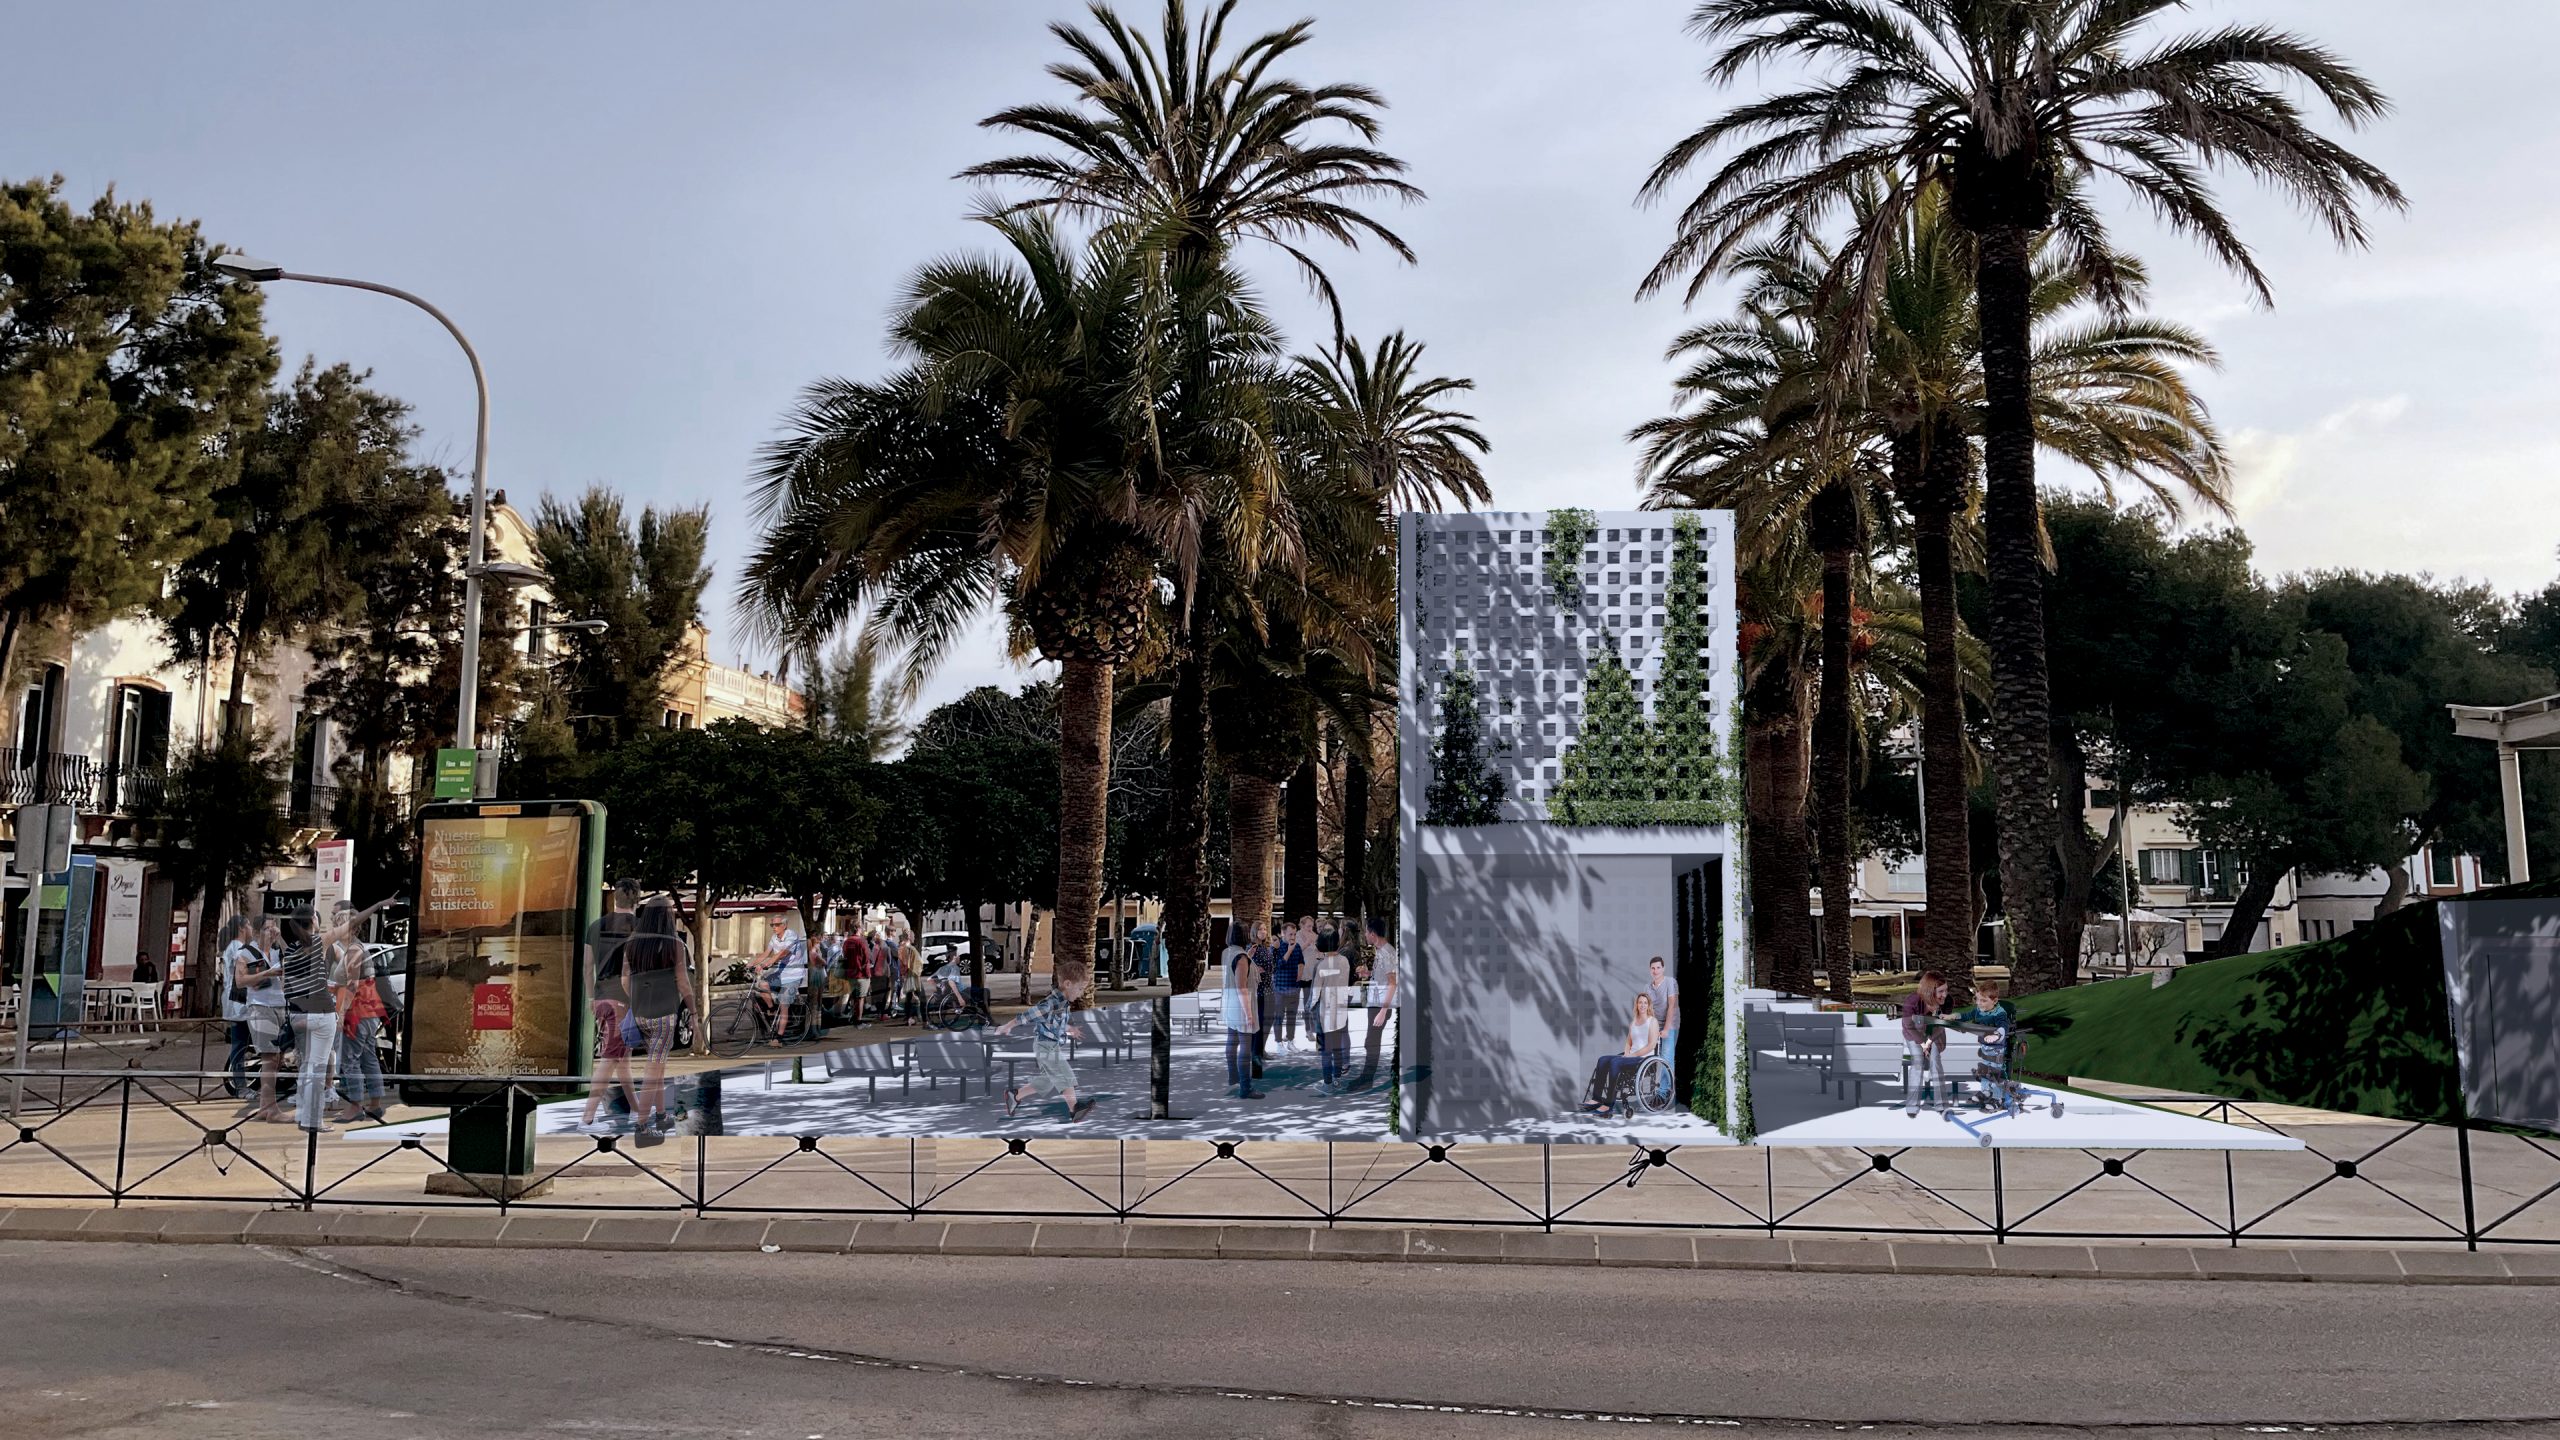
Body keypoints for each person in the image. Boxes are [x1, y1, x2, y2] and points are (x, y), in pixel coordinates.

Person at [623, 898, 695, 1144]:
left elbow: (624, 979)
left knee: (658, 1065)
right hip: (664, 1014)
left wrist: (635, 999)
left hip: (640, 1012)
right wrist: (693, 1012)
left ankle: (662, 1116)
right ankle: (642, 1128)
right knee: (653, 1070)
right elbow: (683, 982)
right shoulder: (675, 944)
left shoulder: (632, 943)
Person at [994, 966, 1097, 1122]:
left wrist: (1070, 1029)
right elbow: (1027, 1016)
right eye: (1080, 988)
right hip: (1045, 1046)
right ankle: (1074, 1109)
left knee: (1048, 1080)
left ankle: (1015, 1096)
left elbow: (1055, 1023)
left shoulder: (1062, 1004)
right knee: (1064, 1074)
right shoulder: (1050, 1003)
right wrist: (1007, 1026)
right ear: (1068, 984)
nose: (1081, 993)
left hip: (1049, 1046)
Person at [330, 926, 391, 1125]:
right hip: (368, 1010)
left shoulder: (354, 950)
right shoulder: (358, 948)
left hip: (357, 1012)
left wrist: (341, 1013)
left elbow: (353, 985)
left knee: (350, 1060)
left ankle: (355, 1105)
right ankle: (374, 1102)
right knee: (368, 1057)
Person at [236, 918, 291, 1123]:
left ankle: (264, 1108)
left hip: (280, 1005)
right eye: (268, 928)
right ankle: (271, 1109)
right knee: (270, 1058)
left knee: (277, 1060)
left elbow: (294, 958)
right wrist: (267, 973)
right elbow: (240, 981)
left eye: (274, 927)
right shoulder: (246, 953)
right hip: (260, 1007)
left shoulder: (277, 951)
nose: (272, 931)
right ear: (259, 932)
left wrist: (281, 939)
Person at [1582, 993, 1660, 1118]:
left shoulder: (1652, 1021)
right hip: (1631, 1057)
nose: (1643, 1005)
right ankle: (1596, 1099)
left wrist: (1633, 1055)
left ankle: (1608, 1106)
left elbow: (1651, 1046)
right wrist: (1627, 1053)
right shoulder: (1634, 1022)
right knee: (1603, 1060)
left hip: (1644, 1059)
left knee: (1615, 1063)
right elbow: (1628, 1042)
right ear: (1637, 1004)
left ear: (1648, 1005)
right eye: (1640, 1002)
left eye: (1645, 1003)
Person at [1353, 915, 1399, 1090]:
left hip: (1380, 1005)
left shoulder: (1387, 953)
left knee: (1371, 1042)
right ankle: (1366, 1078)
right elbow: (1383, 977)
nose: (1364, 935)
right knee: (1370, 1041)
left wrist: (1383, 1011)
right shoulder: (1380, 951)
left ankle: (1367, 1080)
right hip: (1376, 1003)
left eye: (1366, 932)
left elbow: (1393, 983)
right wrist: (1368, 974)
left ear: (1372, 934)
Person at [1900, 969, 1953, 1115]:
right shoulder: (1912, 1001)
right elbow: (1908, 1025)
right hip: (1914, 1032)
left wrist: (1929, 1041)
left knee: (1935, 1061)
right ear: (1930, 991)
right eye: (1941, 991)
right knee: (1917, 1062)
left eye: (1946, 990)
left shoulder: (1947, 1001)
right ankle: (1912, 1106)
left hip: (1935, 1032)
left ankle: (1941, 1104)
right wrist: (1922, 1043)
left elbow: (1942, 1025)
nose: (1945, 995)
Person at [217, 917, 256, 1100]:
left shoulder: (234, 947)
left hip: (238, 1000)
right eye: (248, 925)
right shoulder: (237, 948)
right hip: (238, 1001)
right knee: (239, 1044)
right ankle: (240, 1086)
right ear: (241, 928)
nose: (251, 928)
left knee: (243, 1043)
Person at [1310, 926, 1353, 1092]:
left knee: (1326, 1050)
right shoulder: (1344, 961)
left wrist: (1309, 1007)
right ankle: (1337, 1080)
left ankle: (1327, 1083)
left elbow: (1316, 992)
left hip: (1325, 1011)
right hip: (1341, 1008)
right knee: (1337, 1048)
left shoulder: (1321, 965)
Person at [1221, 922, 1261, 1099]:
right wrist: (1249, 1014)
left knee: (1232, 1041)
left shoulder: (1228, 952)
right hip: (1241, 1004)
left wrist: (1248, 957)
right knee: (1245, 1045)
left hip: (1229, 1002)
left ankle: (1233, 1077)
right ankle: (1246, 1087)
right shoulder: (1241, 957)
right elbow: (1242, 987)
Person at [754, 916, 808, 1046]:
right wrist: (751, 964)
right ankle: (772, 1009)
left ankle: (779, 1038)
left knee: (784, 1005)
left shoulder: (792, 936)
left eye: (777, 925)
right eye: (772, 925)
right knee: (762, 985)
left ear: (784, 925)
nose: (774, 927)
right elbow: (766, 953)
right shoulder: (774, 938)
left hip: (793, 975)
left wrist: (768, 963)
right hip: (780, 973)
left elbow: (783, 953)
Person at [1645, 956, 1681, 1105]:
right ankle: (1651, 1090)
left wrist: (1666, 1029)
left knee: (1666, 1057)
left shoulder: (1670, 982)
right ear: (1650, 970)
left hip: (1670, 1023)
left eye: (1658, 967)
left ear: (1663, 968)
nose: (1656, 971)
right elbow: (1648, 1010)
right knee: (1651, 1056)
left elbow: (1672, 1005)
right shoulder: (1648, 987)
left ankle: (1663, 1093)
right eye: (1653, 968)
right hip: (1656, 1024)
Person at [1270, 916, 1308, 1051]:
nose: (1293, 937)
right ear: (1283, 934)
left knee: (1292, 1017)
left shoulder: (1297, 947)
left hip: (1294, 987)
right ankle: (1278, 1043)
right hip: (1279, 988)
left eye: (1294, 934)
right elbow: (1277, 966)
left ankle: (1290, 1041)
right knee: (1279, 1017)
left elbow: (1301, 961)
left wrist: (1300, 973)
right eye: (1290, 934)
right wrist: (1289, 951)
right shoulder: (1276, 947)